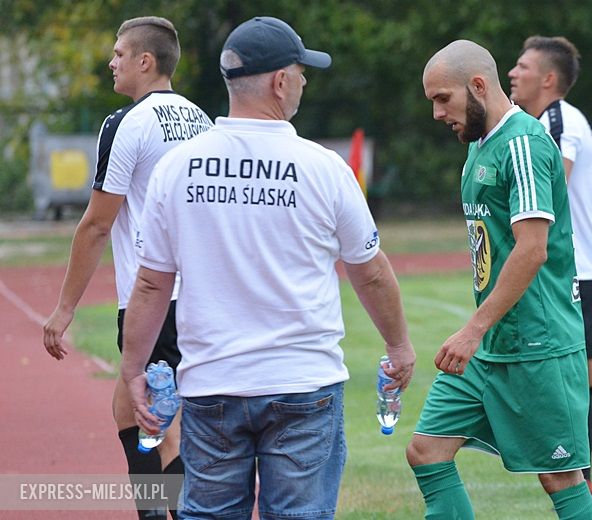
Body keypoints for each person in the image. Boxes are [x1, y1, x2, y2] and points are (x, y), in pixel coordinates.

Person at [119, 16, 416, 519]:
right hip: (302, 384)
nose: (302, 81)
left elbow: (151, 282)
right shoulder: (323, 167)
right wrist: (399, 346)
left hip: (212, 384)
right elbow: (369, 270)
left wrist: (133, 369)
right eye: (300, 72)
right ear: (281, 81)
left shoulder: (178, 167)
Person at [408, 39, 592, 520]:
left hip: (537, 344)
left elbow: (532, 250)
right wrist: (481, 332)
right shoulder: (479, 144)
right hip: (492, 344)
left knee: (559, 478)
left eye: (442, 98)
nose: (436, 113)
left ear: (477, 85)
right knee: (426, 450)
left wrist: (472, 328)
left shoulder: (524, 144)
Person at [43, 16, 213, 520]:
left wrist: (63, 309)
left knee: (162, 419)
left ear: (146, 61)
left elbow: (97, 224)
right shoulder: (203, 119)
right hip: (202, 293)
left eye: (119, 54)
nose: (110, 62)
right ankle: (154, 510)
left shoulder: (127, 123)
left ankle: (179, 513)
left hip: (152, 294)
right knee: (129, 402)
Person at [508, 36, 592, 508]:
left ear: (549, 79)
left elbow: (551, 181)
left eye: (521, 66)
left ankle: (583, 490)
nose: (512, 74)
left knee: (574, 374)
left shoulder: (559, 119)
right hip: (584, 266)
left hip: (584, 269)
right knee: (589, 371)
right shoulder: (541, 120)